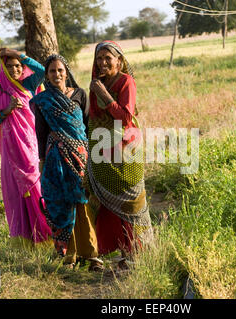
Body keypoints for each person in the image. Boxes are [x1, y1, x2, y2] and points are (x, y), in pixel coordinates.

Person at [30, 54, 103, 271]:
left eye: (60, 70)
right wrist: (42, 162)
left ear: (67, 71)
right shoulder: (43, 101)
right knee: (62, 203)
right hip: (56, 159)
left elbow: (88, 126)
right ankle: (68, 256)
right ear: (47, 75)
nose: (57, 74)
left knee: (82, 202)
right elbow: (41, 134)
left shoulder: (80, 94)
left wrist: (94, 157)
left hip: (81, 157)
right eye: (52, 71)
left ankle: (91, 255)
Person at [87, 40, 153, 269]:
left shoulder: (126, 82)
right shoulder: (96, 84)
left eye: (108, 58)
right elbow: (92, 117)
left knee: (131, 202)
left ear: (119, 61)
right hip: (100, 150)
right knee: (103, 201)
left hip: (125, 150)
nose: (103, 63)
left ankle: (137, 252)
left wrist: (104, 93)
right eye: (99, 58)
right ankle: (112, 252)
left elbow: (124, 117)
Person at [0, 48, 51, 247]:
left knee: (37, 189)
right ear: (3, 68)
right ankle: (23, 242)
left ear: (23, 67)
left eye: (18, 66)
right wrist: (5, 112)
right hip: (10, 155)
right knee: (14, 194)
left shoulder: (29, 84)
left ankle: (45, 237)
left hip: (31, 149)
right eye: (9, 66)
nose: (14, 69)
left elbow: (43, 71)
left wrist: (16, 53)